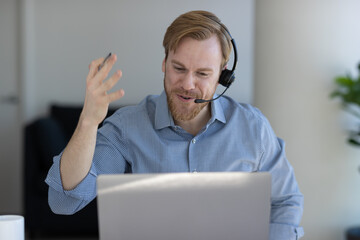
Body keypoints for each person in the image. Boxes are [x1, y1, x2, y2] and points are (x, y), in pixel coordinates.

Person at [45, 10, 304, 239]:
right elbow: (64, 202)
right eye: (179, 68)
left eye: (202, 73)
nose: (188, 84)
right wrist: (88, 121)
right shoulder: (127, 127)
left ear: (223, 75)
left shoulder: (253, 128)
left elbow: (285, 201)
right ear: (164, 62)